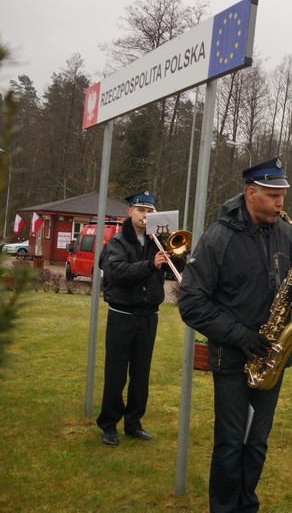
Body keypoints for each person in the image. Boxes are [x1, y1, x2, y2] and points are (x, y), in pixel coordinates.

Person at [178, 158, 292, 513]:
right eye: (274, 195)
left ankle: (247, 505)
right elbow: (190, 301)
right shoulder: (218, 238)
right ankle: (223, 507)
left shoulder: (287, 233)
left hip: (272, 359)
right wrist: (240, 336)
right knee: (231, 442)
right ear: (251, 193)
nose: (281, 203)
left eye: (283, 195)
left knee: (257, 442)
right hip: (231, 358)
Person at [96, 190, 168, 446]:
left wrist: (173, 253)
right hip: (122, 315)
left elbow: (175, 269)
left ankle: (133, 422)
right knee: (116, 373)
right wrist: (150, 265)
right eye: (141, 211)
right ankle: (108, 424)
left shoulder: (155, 241)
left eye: (150, 212)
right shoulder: (116, 243)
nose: (145, 216)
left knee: (141, 373)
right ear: (130, 212)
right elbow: (117, 272)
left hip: (149, 316)